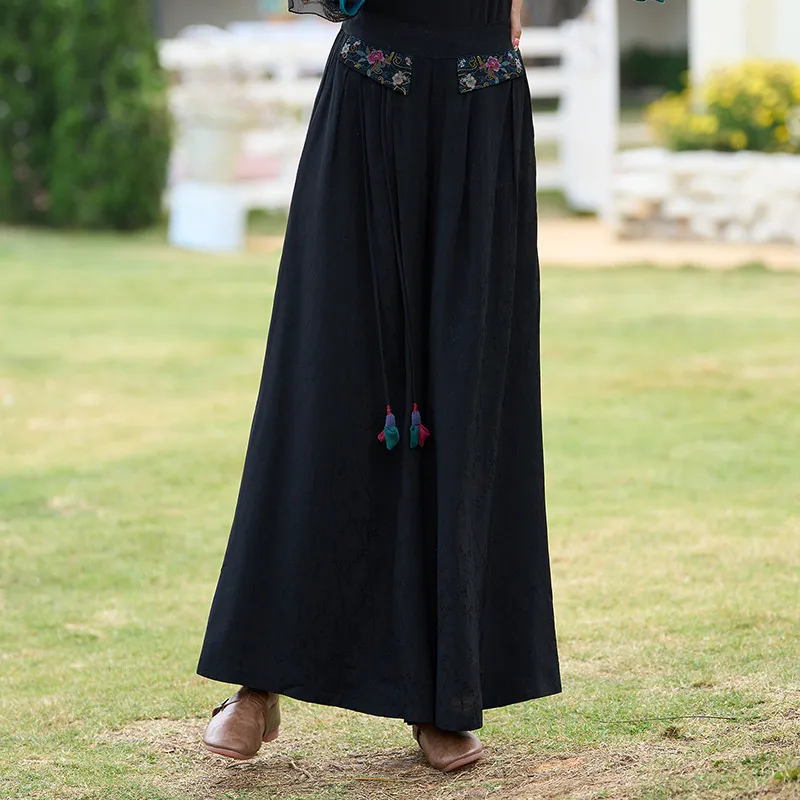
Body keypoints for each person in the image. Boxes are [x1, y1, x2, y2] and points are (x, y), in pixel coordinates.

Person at [196, 0, 561, 773]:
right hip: (373, 95)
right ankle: (256, 680)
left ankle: (444, 696)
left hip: (481, 102)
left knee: (466, 395)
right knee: (322, 386)